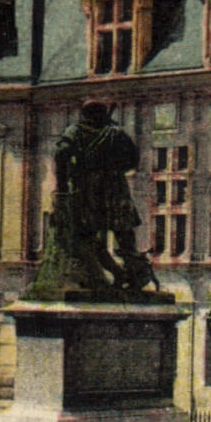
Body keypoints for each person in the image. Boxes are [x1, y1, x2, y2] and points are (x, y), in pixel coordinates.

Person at [53, 100, 152, 291]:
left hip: (89, 188)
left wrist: (64, 184)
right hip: (115, 188)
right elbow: (133, 159)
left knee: (86, 236)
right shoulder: (116, 132)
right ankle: (132, 275)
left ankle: (114, 272)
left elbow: (61, 153)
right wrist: (115, 167)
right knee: (125, 235)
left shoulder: (75, 131)